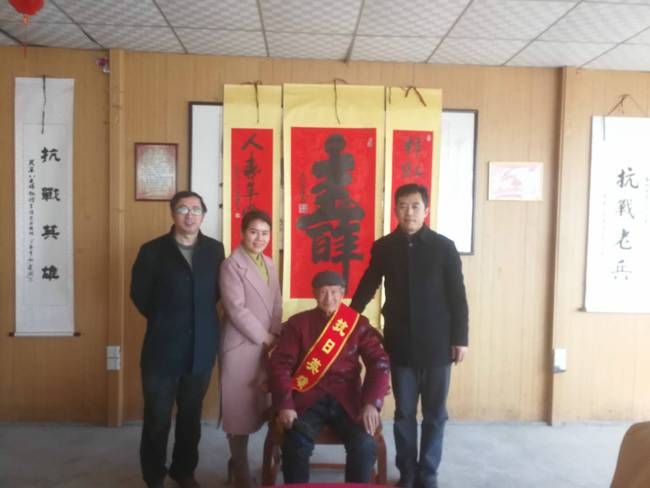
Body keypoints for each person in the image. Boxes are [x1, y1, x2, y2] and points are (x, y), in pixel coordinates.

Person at [351, 183, 469, 488]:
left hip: (438, 345)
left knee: (434, 414)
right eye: (402, 206)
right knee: (404, 413)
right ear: (395, 210)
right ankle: (407, 473)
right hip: (400, 343)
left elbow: (458, 297)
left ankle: (428, 474)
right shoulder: (384, 247)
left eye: (415, 206)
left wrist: (460, 339)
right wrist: (348, 319)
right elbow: (368, 284)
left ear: (426, 210)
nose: (409, 212)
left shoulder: (443, 247)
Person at [130, 190, 225, 488]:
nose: (190, 215)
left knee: (191, 416)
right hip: (162, 347)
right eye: (183, 209)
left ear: (203, 215)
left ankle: (183, 471)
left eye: (196, 210)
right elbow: (139, 294)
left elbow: (217, 292)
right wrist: (165, 318)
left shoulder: (215, 250)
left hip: (200, 347)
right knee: (157, 417)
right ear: (173, 214)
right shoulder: (152, 250)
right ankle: (154, 476)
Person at [268, 270, 390, 484]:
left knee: (364, 444)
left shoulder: (356, 324)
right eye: (323, 292)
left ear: (342, 294)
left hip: (348, 400)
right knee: (295, 443)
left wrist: (372, 402)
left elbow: (379, 363)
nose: (329, 298)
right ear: (314, 294)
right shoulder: (298, 323)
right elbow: (280, 365)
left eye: (334, 292)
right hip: (307, 398)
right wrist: (285, 404)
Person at [219, 209, 282, 487]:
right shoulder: (231, 265)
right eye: (254, 232)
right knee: (239, 412)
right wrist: (266, 337)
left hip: (269, 344)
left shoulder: (269, 263)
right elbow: (236, 309)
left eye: (265, 233)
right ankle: (240, 470)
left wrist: (275, 335)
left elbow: (277, 303)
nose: (259, 238)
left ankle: (264, 460)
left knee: (265, 406)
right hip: (242, 345)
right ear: (243, 233)